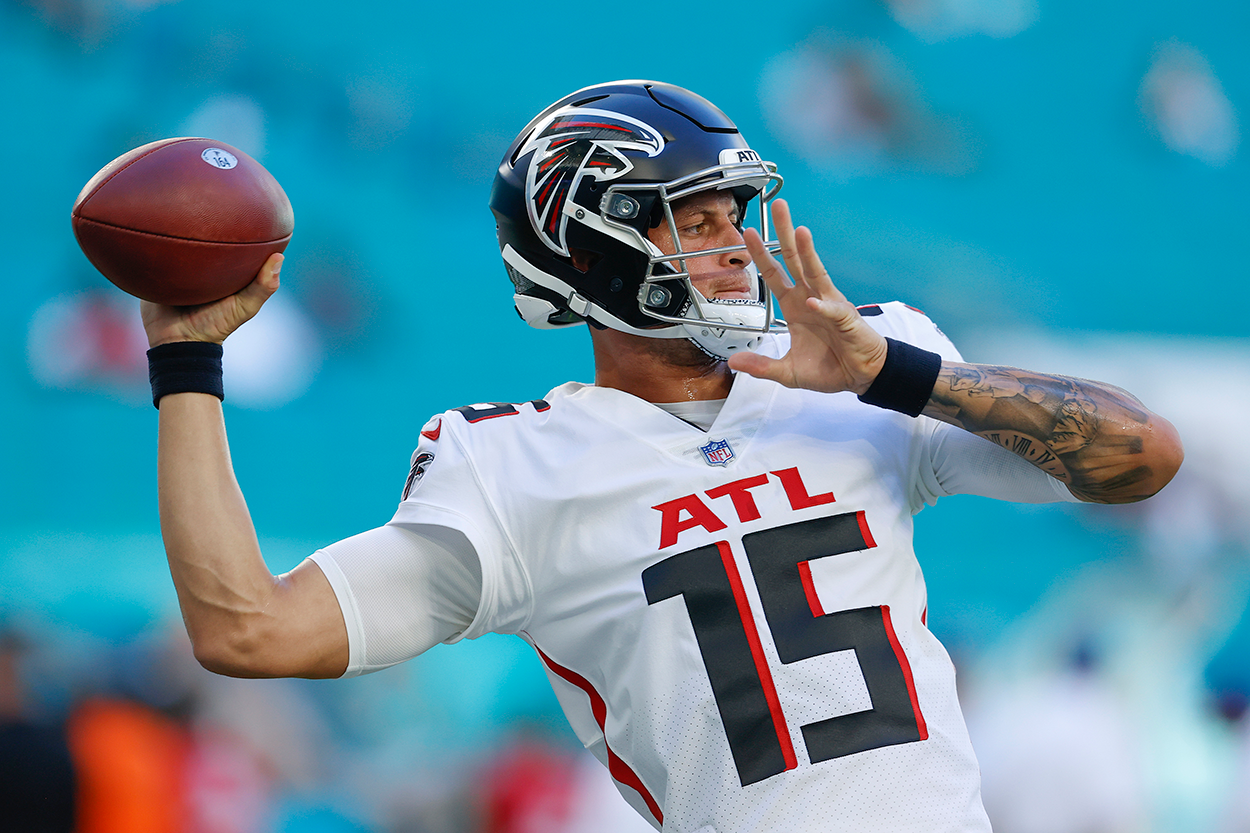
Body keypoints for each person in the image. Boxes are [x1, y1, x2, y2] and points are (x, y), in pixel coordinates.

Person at [139, 81, 1183, 832]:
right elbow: (248, 630)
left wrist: (896, 374)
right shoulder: (510, 464)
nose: (734, 242)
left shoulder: (874, 364)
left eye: (734, 210)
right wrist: (187, 363)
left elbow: (1141, 455)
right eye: (693, 218)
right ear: (586, 250)